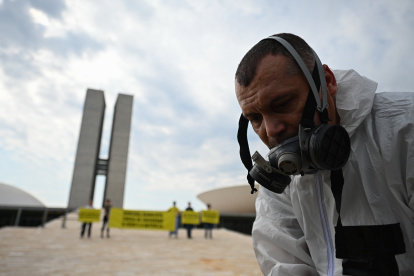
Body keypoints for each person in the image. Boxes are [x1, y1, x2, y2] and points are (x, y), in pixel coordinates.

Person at [235, 33, 414, 275]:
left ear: (327, 81)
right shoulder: (280, 179)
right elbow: (284, 265)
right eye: (255, 119)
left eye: (282, 104)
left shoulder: (405, 131)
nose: (270, 130)